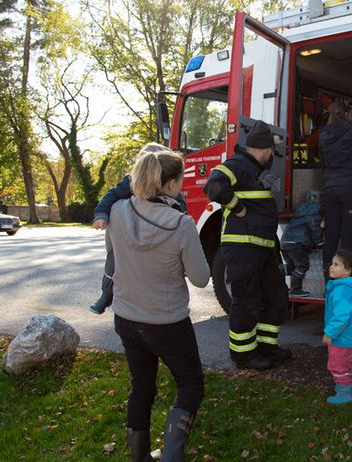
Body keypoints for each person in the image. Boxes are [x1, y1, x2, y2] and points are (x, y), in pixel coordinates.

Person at [106, 148, 210, 462]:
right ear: (171, 185)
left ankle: (139, 457)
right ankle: (172, 456)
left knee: (142, 386)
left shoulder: (118, 211)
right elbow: (202, 278)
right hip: (166, 321)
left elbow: (114, 255)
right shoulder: (181, 224)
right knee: (191, 384)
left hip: (126, 316)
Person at [203, 120, 291, 370]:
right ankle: (243, 356)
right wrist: (237, 207)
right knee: (247, 301)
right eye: (271, 152)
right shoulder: (237, 165)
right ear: (263, 150)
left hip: (262, 248)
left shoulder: (253, 169)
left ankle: (266, 348)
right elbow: (214, 185)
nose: (272, 156)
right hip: (243, 248)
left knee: (276, 297)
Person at [90, 143, 188, 314]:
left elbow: (180, 205)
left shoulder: (169, 187)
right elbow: (111, 195)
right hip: (131, 231)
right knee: (113, 262)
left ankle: (156, 299)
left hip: (156, 234)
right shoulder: (130, 181)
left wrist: (182, 219)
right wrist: (101, 214)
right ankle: (106, 296)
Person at [319, 101, 352, 282]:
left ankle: (328, 280)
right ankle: (347, 280)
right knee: (348, 236)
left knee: (331, 234)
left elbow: (322, 163)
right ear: (346, 113)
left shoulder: (323, 134)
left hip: (329, 188)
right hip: (351, 188)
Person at [322, 249, 352, 405]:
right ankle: (350, 387)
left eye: (336, 265)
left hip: (342, 339)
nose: (331, 267)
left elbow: (341, 316)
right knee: (351, 363)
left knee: (338, 365)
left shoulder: (341, 290)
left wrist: (329, 333)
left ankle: (343, 395)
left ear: (347, 271)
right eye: (331, 263)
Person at [281, 190, 324, 297]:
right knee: (302, 266)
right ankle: (296, 290)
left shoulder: (300, 210)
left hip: (286, 242)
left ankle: (275, 273)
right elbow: (315, 228)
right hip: (297, 243)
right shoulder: (314, 211)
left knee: (291, 267)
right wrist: (319, 242)